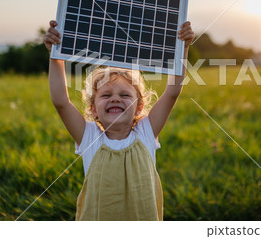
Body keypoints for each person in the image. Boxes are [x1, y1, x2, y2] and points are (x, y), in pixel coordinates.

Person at [43, 20, 195, 220]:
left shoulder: (146, 132)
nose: (115, 98)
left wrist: (182, 47)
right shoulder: (89, 137)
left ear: (139, 107)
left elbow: (173, 90)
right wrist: (56, 54)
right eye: (106, 95)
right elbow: (61, 101)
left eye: (125, 95)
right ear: (92, 108)